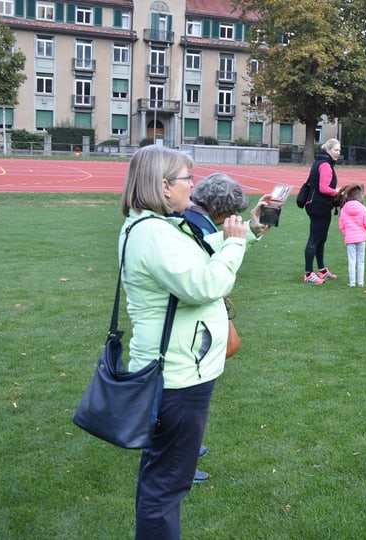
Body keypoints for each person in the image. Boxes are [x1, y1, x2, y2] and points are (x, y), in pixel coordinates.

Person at [119, 146, 252, 539]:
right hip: (177, 375)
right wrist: (236, 245)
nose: (193, 189)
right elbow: (207, 284)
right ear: (163, 187)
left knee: (161, 476)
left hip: (176, 367)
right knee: (167, 486)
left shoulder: (156, 227)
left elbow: (199, 262)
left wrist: (242, 236)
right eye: (185, 179)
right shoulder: (155, 234)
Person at [182, 173, 271, 484]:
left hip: (196, 324)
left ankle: (186, 449)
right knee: (187, 397)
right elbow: (212, 276)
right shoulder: (193, 224)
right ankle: (181, 461)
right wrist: (235, 241)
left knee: (191, 397)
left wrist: (248, 231)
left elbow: (213, 246)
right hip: (193, 327)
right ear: (221, 211)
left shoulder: (196, 221)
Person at [303, 138, 342, 284]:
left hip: (316, 204)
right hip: (319, 206)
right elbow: (324, 188)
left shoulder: (320, 162)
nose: (338, 153)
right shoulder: (325, 165)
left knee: (321, 239)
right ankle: (308, 274)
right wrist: (338, 192)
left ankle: (321, 269)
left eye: (339, 150)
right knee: (315, 239)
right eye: (335, 150)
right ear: (328, 150)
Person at [337, 183, 366, 288]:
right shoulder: (363, 208)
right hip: (361, 237)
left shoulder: (344, 209)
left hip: (350, 238)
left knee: (351, 260)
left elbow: (341, 225)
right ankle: (360, 282)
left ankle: (352, 282)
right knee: (361, 260)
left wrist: (346, 233)